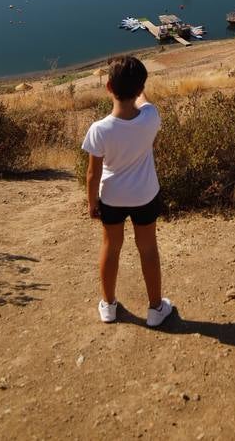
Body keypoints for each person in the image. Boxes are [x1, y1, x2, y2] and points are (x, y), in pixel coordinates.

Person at [82, 55, 173, 326]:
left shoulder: (99, 130)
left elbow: (92, 174)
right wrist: (138, 88)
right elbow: (143, 101)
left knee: (111, 247)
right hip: (145, 195)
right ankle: (156, 309)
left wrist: (92, 202)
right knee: (148, 248)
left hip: (112, 197)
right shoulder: (150, 116)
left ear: (108, 87)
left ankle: (109, 305)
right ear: (141, 87)